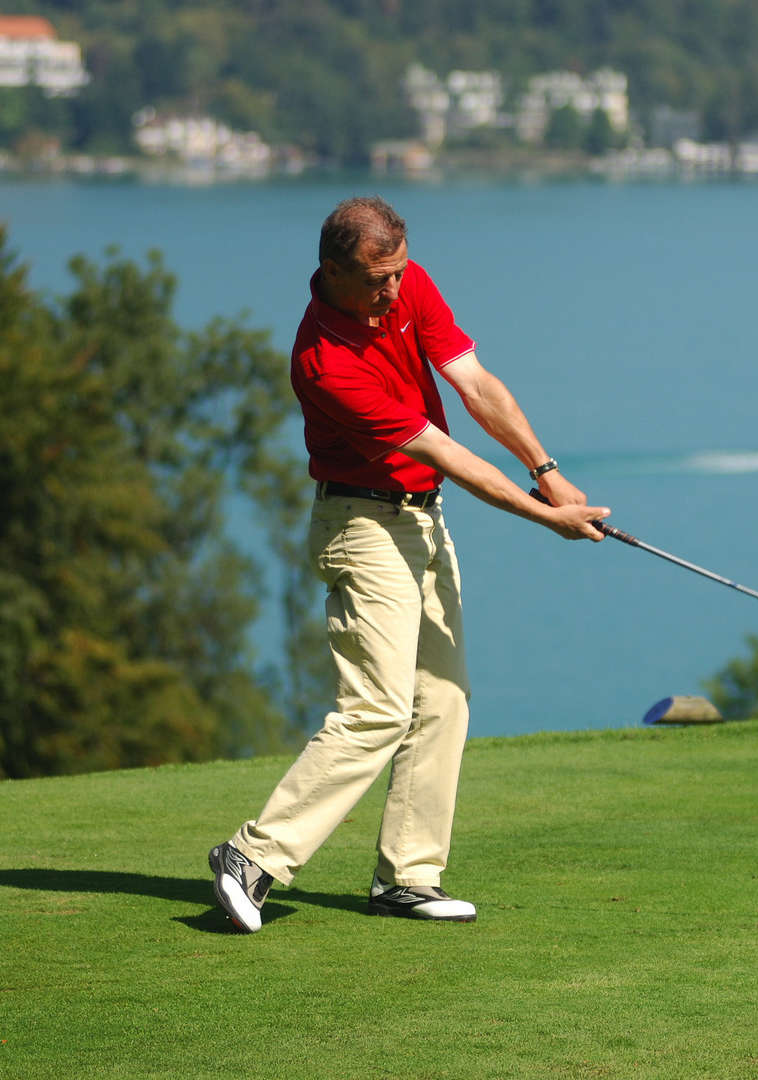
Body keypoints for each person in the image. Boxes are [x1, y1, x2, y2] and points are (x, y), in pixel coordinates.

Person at [209, 195, 609, 932]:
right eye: (376, 279)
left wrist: (546, 468)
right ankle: (252, 856)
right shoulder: (323, 360)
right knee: (378, 708)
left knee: (443, 699)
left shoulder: (406, 281)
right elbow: (449, 454)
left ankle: (408, 877)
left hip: (421, 520)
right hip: (359, 524)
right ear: (332, 270)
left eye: (397, 273)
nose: (392, 291)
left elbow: (477, 386)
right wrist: (546, 518)